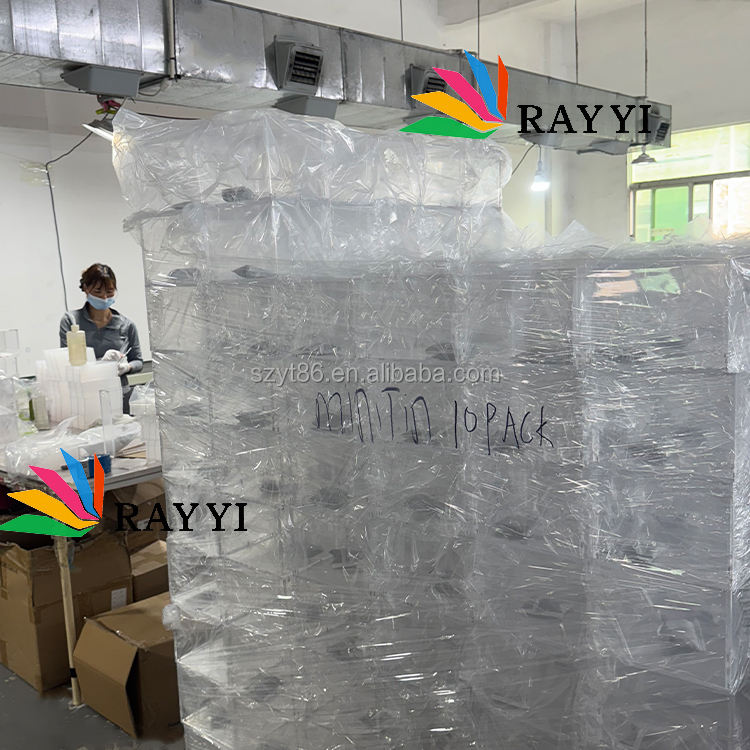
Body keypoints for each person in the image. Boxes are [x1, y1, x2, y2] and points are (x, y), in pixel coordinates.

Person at [59, 263, 143, 414]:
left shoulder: (126, 325)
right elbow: (66, 362)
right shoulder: (71, 322)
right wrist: (100, 366)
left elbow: (138, 361)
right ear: (86, 289)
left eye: (109, 292)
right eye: (98, 291)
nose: (104, 298)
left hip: (119, 396)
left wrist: (127, 367)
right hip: (85, 397)